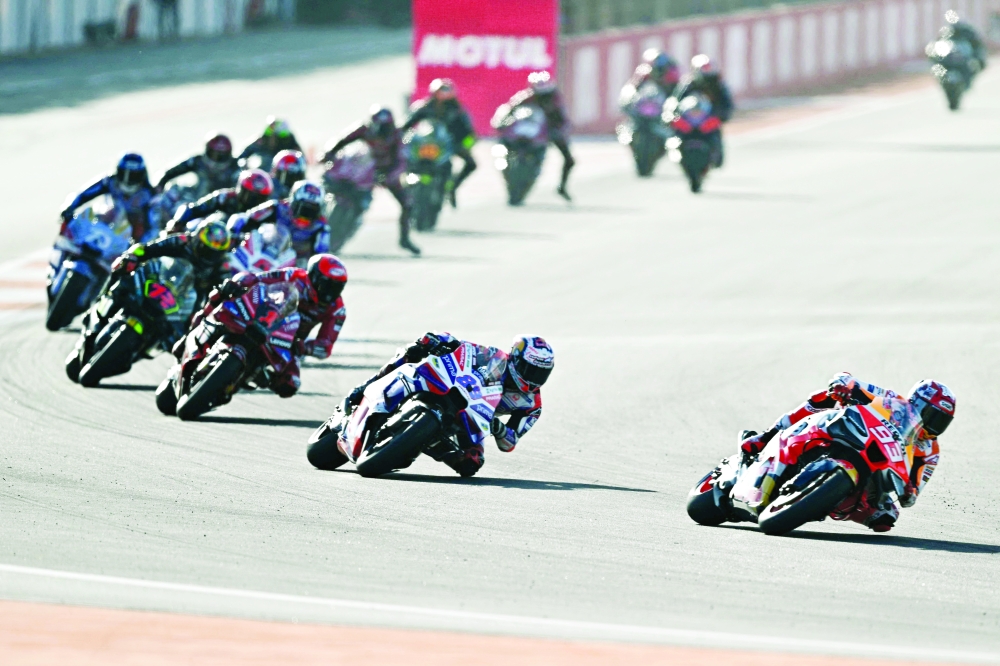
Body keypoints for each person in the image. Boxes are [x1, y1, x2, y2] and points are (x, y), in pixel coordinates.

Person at [739, 372, 955, 533]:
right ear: (916, 402)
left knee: (885, 516)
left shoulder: (930, 451)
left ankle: (823, 500)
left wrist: (910, 491)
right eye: (932, 416)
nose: (933, 426)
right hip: (855, 435)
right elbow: (853, 382)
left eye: (941, 422)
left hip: (880, 467)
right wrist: (844, 385)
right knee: (821, 397)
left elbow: (914, 491)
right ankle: (767, 436)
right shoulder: (893, 400)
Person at [344, 332, 553, 477]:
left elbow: (509, 443)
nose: (534, 378)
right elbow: (464, 348)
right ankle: (367, 386)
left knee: (471, 464)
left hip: (474, 420)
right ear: (516, 358)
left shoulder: (532, 405)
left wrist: (499, 429)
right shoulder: (494, 357)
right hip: (453, 388)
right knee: (413, 352)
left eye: (541, 374)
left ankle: (423, 442)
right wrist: (440, 340)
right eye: (530, 369)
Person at [196, 254, 348, 397]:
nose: (330, 292)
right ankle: (203, 323)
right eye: (327, 284)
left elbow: (325, 345)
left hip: (288, 343)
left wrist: (304, 347)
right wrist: (239, 283)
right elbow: (259, 278)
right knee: (223, 297)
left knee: (290, 385)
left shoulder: (337, 310)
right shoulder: (294, 276)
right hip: (264, 318)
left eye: (337, 287)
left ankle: (258, 376)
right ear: (314, 277)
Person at [324, 107, 421, 255]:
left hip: (387, 173)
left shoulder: (397, 136)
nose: (381, 132)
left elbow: (401, 161)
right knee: (329, 184)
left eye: (385, 127)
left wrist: (389, 175)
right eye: (378, 127)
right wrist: (328, 154)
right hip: (364, 169)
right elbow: (342, 140)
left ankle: (404, 238)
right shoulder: (364, 129)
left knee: (407, 203)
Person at [111, 218, 233, 307]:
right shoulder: (181, 241)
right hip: (154, 282)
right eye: (205, 249)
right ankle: (106, 295)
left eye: (213, 252)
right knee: (123, 266)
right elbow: (148, 248)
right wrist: (132, 256)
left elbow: (217, 295)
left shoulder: (220, 267)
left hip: (179, 306)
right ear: (197, 239)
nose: (208, 254)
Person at [496, 71, 574, 201]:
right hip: (527, 131)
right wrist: (501, 123)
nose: (541, 96)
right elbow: (509, 109)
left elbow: (563, 120)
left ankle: (562, 187)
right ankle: (507, 166)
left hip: (548, 131)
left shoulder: (555, 100)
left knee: (569, 160)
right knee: (504, 143)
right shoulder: (525, 97)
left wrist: (559, 131)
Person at [401, 78, 477, 208]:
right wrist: (402, 139)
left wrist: (465, 145)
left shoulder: (458, 111)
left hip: (448, 145)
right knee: (402, 160)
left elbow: (470, 133)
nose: (441, 101)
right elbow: (406, 126)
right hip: (424, 143)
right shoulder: (423, 107)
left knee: (471, 164)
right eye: (439, 96)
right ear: (433, 94)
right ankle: (406, 189)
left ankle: (452, 187)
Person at [60, 153, 159, 242]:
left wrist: (141, 244)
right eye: (124, 173)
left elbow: (152, 224)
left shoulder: (149, 193)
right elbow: (84, 194)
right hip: (108, 225)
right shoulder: (109, 182)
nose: (127, 180)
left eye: (133, 176)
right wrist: (69, 207)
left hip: (131, 237)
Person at [227, 180, 330, 264]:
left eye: (312, 211)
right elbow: (245, 218)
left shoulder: (321, 228)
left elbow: (320, 257)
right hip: (262, 253)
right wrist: (235, 235)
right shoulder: (276, 207)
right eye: (303, 209)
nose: (306, 216)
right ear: (293, 202)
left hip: (293, 267)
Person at [166, 169, 274, 234]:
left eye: (259, 198)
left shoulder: (267, 211)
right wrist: (177, 223)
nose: (253, 201)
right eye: (249, 195)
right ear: (240, 189)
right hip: (213, 236)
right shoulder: (225, 197)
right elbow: (194, 208)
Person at [671, 54, 734, 167]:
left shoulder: (718, 85)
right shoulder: (687, 84)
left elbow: (727, 105)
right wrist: (672, 115)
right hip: (689, 120)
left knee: (715, 134)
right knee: (675, 134)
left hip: (708, 120)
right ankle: (676, 154)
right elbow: (675, 101)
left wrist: (719, 116)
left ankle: (715, 157)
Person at [156, 133, 241, 196]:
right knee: (174, 190)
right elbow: (169, 172)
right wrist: (159, 186)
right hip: (196, 204)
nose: (216, 160)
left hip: (223, 208)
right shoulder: (197, 161)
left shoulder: (236, 167)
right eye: (213, 154)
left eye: (221, 157)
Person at [939, 10, 988, 84]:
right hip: (951, 58)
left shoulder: (968, 32)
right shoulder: (947, 32)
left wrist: (979, 59)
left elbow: (977, 46)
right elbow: (939, 43)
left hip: (966, 57)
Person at [238, 117, 302, 171]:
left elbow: (301, 159)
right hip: (263, 175)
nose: (273, 141)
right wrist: (243, 164)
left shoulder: (290, 140)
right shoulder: (262, 140)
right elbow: (242, 155)